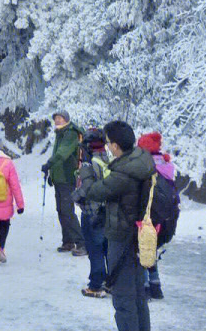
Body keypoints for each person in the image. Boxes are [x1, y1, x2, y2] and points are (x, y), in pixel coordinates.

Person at [75, 120, 157, 331]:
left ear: (116, 146)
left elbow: (93, 191)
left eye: (109, 142)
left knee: (123, 299)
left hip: (122, 239)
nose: (108, 146)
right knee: (138, 297)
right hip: (135, 238)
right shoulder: (139, 161)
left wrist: (85, 168)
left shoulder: (124, 175)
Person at [42, 110, 85, 254]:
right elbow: (58, 155)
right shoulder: (60, 133)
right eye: (56, 118)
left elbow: (62, 153)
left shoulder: (70, 133)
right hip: (60, 178)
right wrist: (52, 174)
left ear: (66, 119)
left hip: (67, 178)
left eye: (60, 118)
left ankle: (81, 243)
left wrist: (49, 164)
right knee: (61, 210)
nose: (57, 121)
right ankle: (68, 241)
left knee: (67, 211)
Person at [137, 132, 174, 300]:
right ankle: (156, 286)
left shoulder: (146, 169)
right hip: (166, 218)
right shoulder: (165, 165)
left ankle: (144, 288)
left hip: (148, 216)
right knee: (152, 251)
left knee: (142, 250)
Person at [77, 127, 111, 297]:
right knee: (107, 248)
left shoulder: (89, 162)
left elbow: (86, 189)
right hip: (107, 210)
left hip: (91, 211)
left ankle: (96, 285)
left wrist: (75, 196)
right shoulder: (107, 158)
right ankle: (111, 282)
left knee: (94, 248)